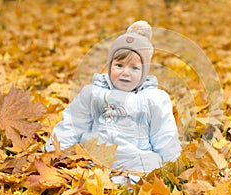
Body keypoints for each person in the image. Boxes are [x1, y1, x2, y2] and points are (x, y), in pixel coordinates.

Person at [45, 20, 182, 176]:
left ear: (144, 72)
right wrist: (55, 153)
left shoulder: (153, 99)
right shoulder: (93, 94)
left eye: (134, 68)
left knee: (144, 174)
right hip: (94, 162)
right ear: (110, 66)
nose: (125, 72)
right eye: (119, 65)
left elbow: (164, 134)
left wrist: (172, 165)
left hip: (137, 163)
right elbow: (72, 124)